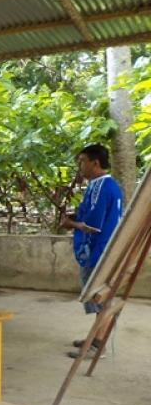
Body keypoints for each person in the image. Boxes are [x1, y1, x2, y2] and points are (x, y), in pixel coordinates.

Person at [60, 143, 123, 358]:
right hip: (105, 249)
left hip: (98, 251)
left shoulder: (100, 187)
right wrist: (77, 218)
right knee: (99, 297)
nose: (80, 166)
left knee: (99, 298)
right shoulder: (108, 185)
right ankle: (95, 339)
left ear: (95, 163)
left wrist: (70, 224)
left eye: (82, 162)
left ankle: (97, 346)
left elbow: (93, 226)